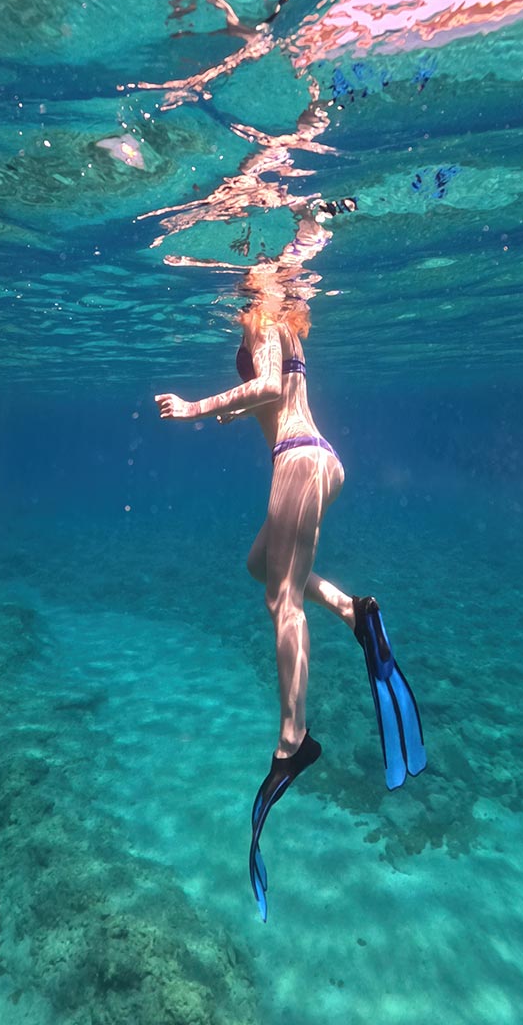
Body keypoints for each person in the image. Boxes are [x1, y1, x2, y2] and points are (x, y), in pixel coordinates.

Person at [155, 273, 426, 921]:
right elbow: (277, 390)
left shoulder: (260, 313)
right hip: (315, 458)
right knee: (262, 566)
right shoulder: (281, 314)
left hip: (299, 460)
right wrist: (234, 408)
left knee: (282, 601)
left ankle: (293, 739)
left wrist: (196, 407)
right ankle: (353, 612)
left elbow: (272, 388)